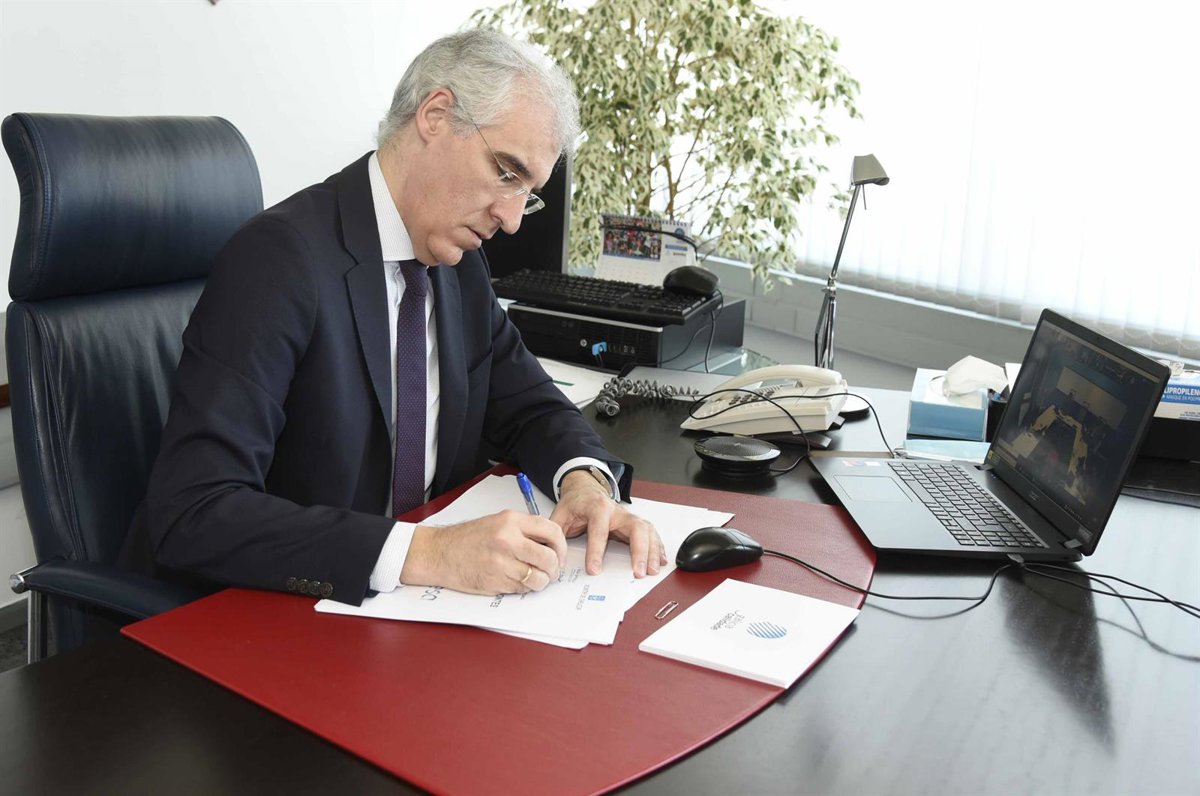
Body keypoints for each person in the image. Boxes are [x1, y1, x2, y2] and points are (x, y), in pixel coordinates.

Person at [121, 29, 664, 605]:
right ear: (435, 116)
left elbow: (531, 406)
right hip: (271, 610)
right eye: (507, 172)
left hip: (412, 614)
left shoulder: (458, 264)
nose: (511, 220)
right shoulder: (280, 260)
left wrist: (584, 481)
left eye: (527, 193)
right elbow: (195, 510)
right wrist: (431, 552)